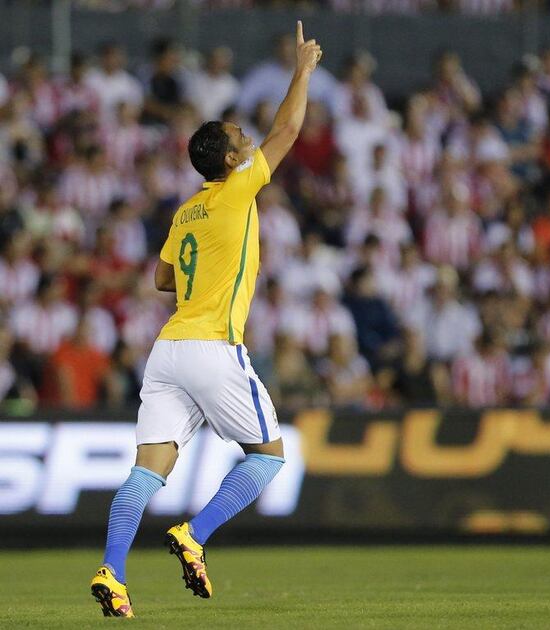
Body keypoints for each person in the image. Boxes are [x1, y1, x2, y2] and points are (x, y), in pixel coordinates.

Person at [89, 23, 323, 618]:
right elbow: (289, 129)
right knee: (268, 456)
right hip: (214, 344)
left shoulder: (187, 210)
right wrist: (302, 71)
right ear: (228, 157)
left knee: (147, 472)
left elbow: (163, 281)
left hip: (167, 349)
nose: (248, 137)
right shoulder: (235, 189)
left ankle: (112, 574)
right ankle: (195, 534)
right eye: (239, 135)